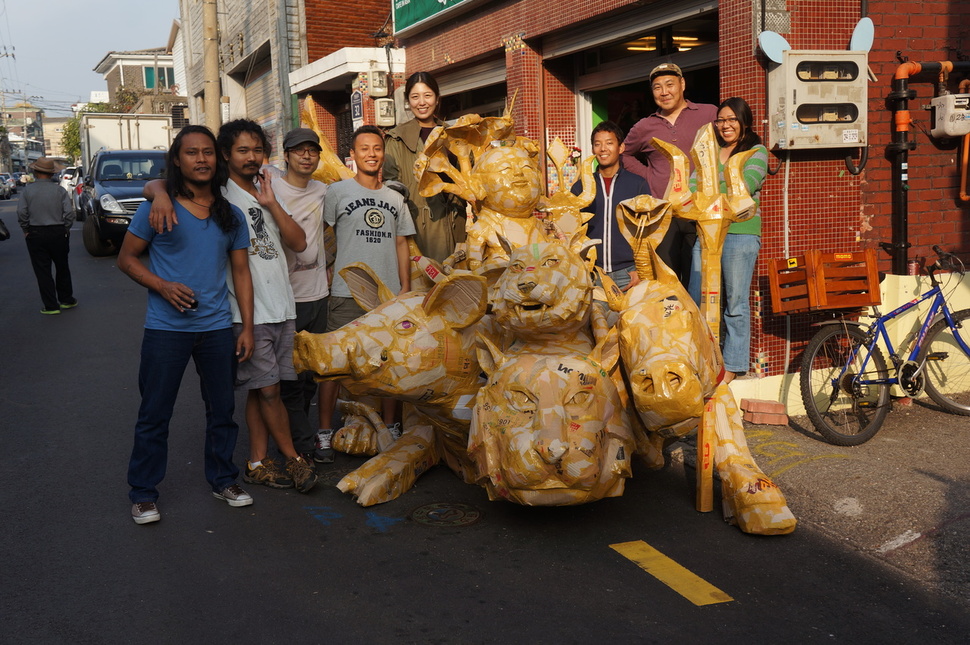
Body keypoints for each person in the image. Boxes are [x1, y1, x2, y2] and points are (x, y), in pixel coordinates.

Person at [147, 120, 319, 494]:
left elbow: (300, 242)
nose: (252, 156)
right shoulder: (218, 193)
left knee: (261, 389)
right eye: (242, 150)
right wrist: (158, 190)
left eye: (257, 149)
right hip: (247, 313)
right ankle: (294, 459)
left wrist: (271, 204)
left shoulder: (267, 187)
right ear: (226, 155)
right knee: (270, 389)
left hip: (281, 306)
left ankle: (257, 461)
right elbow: (164, 185)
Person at [118, 125, 256, 524]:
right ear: (177, 160)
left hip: (216, 329)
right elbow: (126, 260)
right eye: (192, 152)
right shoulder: (158, 207)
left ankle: (223, 479)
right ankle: (143, 493)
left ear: (219, 159)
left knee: (223, 410)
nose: (201, 159)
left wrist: (246, 326)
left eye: (208, 152)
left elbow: (242, 273)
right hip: (166, 329)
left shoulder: (229, 214)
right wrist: (161, 285)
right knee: (155, 413)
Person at [316, 125, 415, 450]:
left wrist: (405, 288)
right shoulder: (338, 192)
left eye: (376, 148)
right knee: (333, 363)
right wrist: (326, 274)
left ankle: (391, 428)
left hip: (386, 297)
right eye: (364, 149)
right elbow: (324, 238)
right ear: (354, 155)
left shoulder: (395, 198)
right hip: (345, 292)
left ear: (383, 154)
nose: (371, 154)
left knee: (388, 363)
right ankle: (325, 433)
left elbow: (402, 244)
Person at [686, 97, 769, 383]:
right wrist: (714, 189)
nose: (726, 125)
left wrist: (713, 188)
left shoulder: (756, 151)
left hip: (739, 234)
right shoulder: (710, 152)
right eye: (721, 120)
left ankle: (732, 366)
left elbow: (745, 186)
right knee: (698, 299)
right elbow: (692, 186)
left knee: (734, 302)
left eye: (732, 119)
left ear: (744, 121)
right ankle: (705, 358)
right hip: (706, 232)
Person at [269, 128, 334, 464]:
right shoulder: (269, 184)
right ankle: (302, 446)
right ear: (287, 155)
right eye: (300, 150)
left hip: (317, 295)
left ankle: (296, 431)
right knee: (291, 377)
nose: (307, 156)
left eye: (313, 151)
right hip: (282, 297)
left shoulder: (325, 191)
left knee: (310, 375)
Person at [621, 63, 718, 285]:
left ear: (682, 84)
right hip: (663, 214)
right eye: (657, 87)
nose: (664, 92)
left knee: (702, 279)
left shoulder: (709, 113)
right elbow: (624, 154)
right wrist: (649, 176)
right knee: (667, 279)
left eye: (669, 85)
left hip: (701, 212)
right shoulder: (644, 126)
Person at [383, 71, 465, 264]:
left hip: (456, 223)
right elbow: (390, 186)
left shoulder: (454, 134)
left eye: (427, 95)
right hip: (418, 226)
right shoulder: (396, 139)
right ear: (408, 101)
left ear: (437, 98)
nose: (422, 102)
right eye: (415, 96)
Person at [570, 121, 650, 291]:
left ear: (621, 148)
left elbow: (647, 232)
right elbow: (570, 231)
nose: (603, 149)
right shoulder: (580, 187)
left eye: (609, 143)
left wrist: (640, 269)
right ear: (592, 149)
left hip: (628, 273)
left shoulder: (637, 184)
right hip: (590, 273)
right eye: (597, 144)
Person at [17, 157, 77, 315]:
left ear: (36, 172)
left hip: (35, 232)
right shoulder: (60, 190)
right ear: (51, 174)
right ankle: (66, 299)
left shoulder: (27, 191)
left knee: (42, 270)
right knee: (62, 266)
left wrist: (26, 229)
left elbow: (22, 212)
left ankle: (51, 306)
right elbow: (69, 213)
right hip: (58, 231)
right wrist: (66, 228)